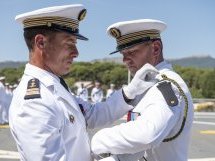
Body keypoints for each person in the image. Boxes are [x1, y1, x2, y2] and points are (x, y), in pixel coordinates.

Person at [9, 5, 158, 161]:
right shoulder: (34, 102)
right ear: (41, 43)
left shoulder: (54, 86)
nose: (76, 53)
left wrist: (131, 91)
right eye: (69, 43)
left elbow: (93, 114)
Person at [91, 19, 194, 161]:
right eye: (122, 53)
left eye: (131, 52)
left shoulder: (165, 85)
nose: (125, 60)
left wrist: (97, 140)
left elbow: (147, 135)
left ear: (156, 48)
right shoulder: (147, 83)